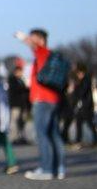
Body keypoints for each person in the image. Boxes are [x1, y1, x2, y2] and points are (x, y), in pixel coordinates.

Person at [21, 28, 66, 180]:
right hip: (53, 98)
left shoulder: (42, 52)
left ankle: (46, 169)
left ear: (40, 40)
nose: (30, 40)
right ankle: (59, 168)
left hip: (42, 98)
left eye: (33, 38)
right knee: (54, 134)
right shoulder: (50, 55)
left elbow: (32, 44)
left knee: (41, 134)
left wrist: (21, 36)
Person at [69, 63, 97, 149]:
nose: (78, 75)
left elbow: (82, 92)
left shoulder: (86, 79)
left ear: (82, 72)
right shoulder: (82, 80)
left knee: (90, 123)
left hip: (86, 105)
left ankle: (95, 141)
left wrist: (75, 89)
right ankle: (78, 141)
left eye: (78, 73)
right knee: (79, 123)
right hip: (82, 106)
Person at [8, 60, 31, 145]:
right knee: (15, 121)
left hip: (23, 104)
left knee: (23, 122)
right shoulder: (12, 80)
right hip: (15, 105)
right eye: (20, 71)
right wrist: (25, 89)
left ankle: (22, 137)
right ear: (16, 72)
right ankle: (14, 138)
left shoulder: (21, 80)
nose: (21, 73)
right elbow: (16, 90)